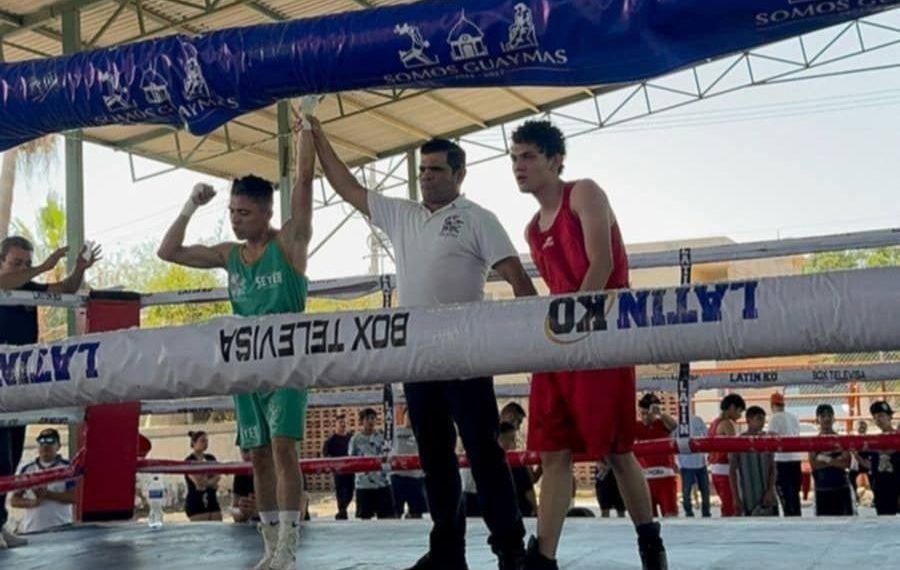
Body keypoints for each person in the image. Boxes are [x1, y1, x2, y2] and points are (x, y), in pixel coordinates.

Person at [309, 116, 534, 570]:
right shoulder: (402, 214)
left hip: (466, 356)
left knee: (484, 454)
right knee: (435, 459)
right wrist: (315, 136)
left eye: (436, 169)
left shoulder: (478, 219)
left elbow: (517, 278)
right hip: (418, 358)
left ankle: (510, 548)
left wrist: (532, 344)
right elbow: (345, 186)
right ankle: (448, 551)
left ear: (459, 174)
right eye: (423, 170)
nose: (427, 177)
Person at [157, 117, 315, 570]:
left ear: (266, 212)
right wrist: (190, 205)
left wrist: (305, 130)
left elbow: (303, 182)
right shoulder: (229, 256)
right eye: (232, 211)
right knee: (259, 456)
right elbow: (168, 252)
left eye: (244, 212)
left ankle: (289, 544)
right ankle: (269, 547)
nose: (235, 218)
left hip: (287, 362)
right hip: (245, 366)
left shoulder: (289, 243)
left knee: (284, 450)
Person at [511, 120, 666, 570]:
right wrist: (556, 336)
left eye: (529, 157)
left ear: (555, 161)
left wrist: (575, 328)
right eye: (514, 158)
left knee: (617, 450)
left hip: (600, 336)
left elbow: (603, 262)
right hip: (559, 345)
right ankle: (544, 557)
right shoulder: (531, 230)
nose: (519, 166)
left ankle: (650, 544)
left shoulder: (584, 192)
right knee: (554, 452)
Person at [0, 236, 100, 549]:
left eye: (27, 264)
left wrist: (79, 269)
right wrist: (43, 267)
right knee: (0, 456)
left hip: (21, 381)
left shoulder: (27, 291)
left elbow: (67, 290)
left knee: (11, 458)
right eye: (17, 263)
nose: (24, 270)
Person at [9, 429, 76, 534]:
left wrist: (48, 495)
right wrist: (33, 502)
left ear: (58, 446)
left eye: (50, 441)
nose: (45, 445)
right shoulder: (27, 469)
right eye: (42, 441)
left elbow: (76, 497)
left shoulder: (68, 468)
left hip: (62, 529)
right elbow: (14, 500)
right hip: (32, 530)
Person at [634, 394, 678, 518]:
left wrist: (661, 413)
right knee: (648, 518)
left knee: (671, 516)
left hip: (665, 478)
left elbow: (674, 425)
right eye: (641, 413)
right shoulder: (636, 426)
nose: (644, 417)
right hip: (645, 480)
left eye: (647, 413)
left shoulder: (662, 424)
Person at [730, 407, 778, 517]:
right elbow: (732, 471)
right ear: (748, 420)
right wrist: (736, 498)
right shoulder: (739, 442)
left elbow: (773, 468)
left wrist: (770, 490)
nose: (762, 423)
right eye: (759, 419)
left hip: (767, 495)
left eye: (763, 420)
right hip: (748, 496)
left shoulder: (767, 440)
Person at [349, 408, 395, 520]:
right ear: (361, 421)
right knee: (365, 518)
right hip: (364, 484)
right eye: (367, 418)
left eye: (373, 418)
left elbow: (390, 452)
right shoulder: (355, 439)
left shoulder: (382, 436)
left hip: (382, 483)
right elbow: (351, 459)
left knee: (387, 517)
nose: (371, 421)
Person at [854, 401, 899, 515]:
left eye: (881, 415)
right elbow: (871, 465)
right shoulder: (874, 441)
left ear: (889, 416)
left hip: (897, 483)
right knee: (884, 519)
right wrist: (856, 455)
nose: (878, 419)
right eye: (875, 417)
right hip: (881, 486)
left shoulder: (897, 437)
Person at [810, 404, 854, 516]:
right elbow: (814, 465)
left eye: (829, 415)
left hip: (841, 487)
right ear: (817, 419)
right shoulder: (814, 442)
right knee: (825, 528)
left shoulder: (840, 440)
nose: (826, 419)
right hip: (822, 489)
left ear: (833, 418)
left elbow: (846, 464)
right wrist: (835, 461)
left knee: (847, 525)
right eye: (823, 416)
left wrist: (825, 459)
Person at [708, 394, 746, 517]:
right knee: (732, 508)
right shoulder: (727, 424)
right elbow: (733, 451)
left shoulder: (714, 423)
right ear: (732, 407)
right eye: (739, 411)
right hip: (726, 471)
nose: (740, 416)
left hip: (716, 471)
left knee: (727, 507)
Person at [767, 392, 803, 516]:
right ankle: (797, 518)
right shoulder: (794, 417)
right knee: (794, 496)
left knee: (785, 497)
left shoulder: (774, 418)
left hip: (781, 460)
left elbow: (771, 438)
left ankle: (791, 519)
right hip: (796, 459)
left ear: (772, 405)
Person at [391, 407, 428, 519]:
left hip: (416, 477)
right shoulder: (396, 431)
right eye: (409, 415)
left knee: (417, 512)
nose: (411, 418)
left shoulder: (423, 433)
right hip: (398, 476)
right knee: (395, 512)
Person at [499, 422, 537, 518]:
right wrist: (536, 509)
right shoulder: (516, 464)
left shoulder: (487, 463)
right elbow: (528, 491)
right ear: (500, 439)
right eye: (511, 439)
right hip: (521, 512)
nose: (514, 443)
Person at [184, 431, 222, 522]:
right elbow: (199, 482)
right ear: (194, 443)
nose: (205, 443)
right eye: (202, 441)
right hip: (196, 501)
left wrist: (207, 483)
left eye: (207, 441)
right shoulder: (189, 461)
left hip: (212, 499)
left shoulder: (211, 458)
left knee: (217, 528)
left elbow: (218, 476)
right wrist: (209, 482)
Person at [322, 413, 355, 520]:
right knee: (340, 492)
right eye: (340, 422)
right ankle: (342, 512)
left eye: (345, 422)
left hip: (350, 470)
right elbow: (326, 454)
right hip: (338, 471)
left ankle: (342, 510)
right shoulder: (331, 440)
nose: (343, 424)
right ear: (335, 425)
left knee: (350, 493)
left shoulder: (350, 438)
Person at [677, 415, 710, 518]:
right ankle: (689, 512)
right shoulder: (679, 424)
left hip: (699, 462)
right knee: (687, 492)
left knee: (704, 490)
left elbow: (706, 436)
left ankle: (705, 512)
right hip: (686, 464)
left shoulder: (698, 420)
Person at [231, 449, 259, 524]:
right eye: (245, 451)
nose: (249, 455)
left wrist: (261, 510)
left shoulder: (279, 473)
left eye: (255, 450)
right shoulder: (241, 474)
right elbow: (235, 510)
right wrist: (243, 512)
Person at [847, 419, 868, 504]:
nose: (862, 428)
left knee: (873, 477)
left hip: (866, 462)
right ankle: (854, 497)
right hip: (856, 463)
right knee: (851, 478)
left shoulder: (868, 438)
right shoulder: (852, 438)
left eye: (863, 426)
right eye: (860, 426)